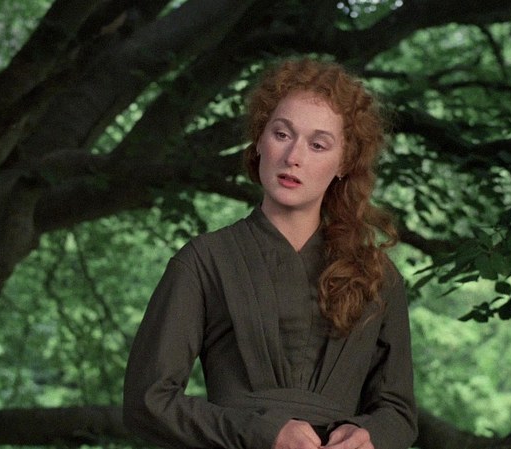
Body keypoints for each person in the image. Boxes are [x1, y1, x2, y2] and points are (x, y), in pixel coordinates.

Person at [123, 58, 417, 449]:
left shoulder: (376, 274)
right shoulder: (203, 261)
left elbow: (398, 412)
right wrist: (260, 432)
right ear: (260, 140)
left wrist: (369, 436)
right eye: (282, 134)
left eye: (317, 144)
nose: (293, 156)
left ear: (344, 162)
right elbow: (148, 402)